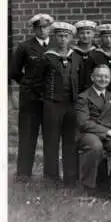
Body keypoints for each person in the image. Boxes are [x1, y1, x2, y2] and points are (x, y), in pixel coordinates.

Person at [75, 64, 111, 204]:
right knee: (95, 146)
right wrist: (107, 131)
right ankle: (88, 189)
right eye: (99, 76)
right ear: (92, 77)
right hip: (89, 133)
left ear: (110, 79)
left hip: (110, 135)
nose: (103, 79)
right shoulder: (83, 97)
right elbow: (83, 123)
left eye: (106, 76)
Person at [9, 13, 54, 182]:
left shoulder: (57, 46)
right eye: (38, 27)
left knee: (51, 135)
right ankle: (23, 174)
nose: (42, 30)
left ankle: (51, 175)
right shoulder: (24, 47)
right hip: (30, 99)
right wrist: (27, 84)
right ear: (34, 29)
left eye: (45, 27)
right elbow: (14, 71)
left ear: (50, 28)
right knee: (28, 135)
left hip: (51, 99)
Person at [39, 22, 80, 186]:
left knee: (70, 141)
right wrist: (45, 99)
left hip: (71, 104)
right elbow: (36, 80)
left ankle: (70, 177)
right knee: (51, 140)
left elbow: (82, 80)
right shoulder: (47, 57)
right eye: (60, 36)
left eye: (66, 36)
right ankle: (51, 177)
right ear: (55, 37)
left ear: (71, 38)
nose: (63, 39)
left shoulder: (76, 57)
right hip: (52, 104)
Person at [73, 20, 98, 93]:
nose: (85, 36)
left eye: (88, 33)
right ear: (77, 34)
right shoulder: (72, 53)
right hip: (76, 91)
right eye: (82, 33)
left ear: (93, 34)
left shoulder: (98, 52)